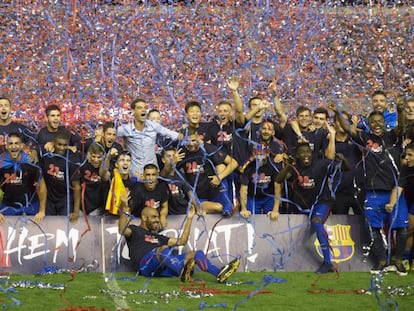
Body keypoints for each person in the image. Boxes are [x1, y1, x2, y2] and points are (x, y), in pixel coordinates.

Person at [333, 102, 408, 276]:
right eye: (372, 121)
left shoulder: (392, 137)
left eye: (379, 121)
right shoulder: (364, 137)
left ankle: (398, 261)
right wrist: (337, 111)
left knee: (401, 229)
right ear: (368, 123)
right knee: (373, 228)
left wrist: (400, 110)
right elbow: (348, 129)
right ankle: (382, 261)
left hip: (394, 191)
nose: (376, 124)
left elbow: (402, 126)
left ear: (384, 123)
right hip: (373, 192)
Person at [118, 200, 240, 283]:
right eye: (154, 217)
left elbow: (182, 241)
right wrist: (124, 206)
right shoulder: (135, 230)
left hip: (160, 269)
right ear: (144, 218)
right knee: (163, 250)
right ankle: (181, 270)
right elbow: (122, 230)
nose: (157, 220)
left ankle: (218, 274)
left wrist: (189, 218)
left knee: (195, 254)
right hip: (144, 266)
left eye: (157, 217)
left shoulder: (160, 237)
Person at [275, 138, 349, 274]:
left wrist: (342, 159)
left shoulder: (321, 164)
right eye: (302, 153)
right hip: (303, 207)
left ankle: (327, 262)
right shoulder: (295, 167)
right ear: (297, 155)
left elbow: (346, 168)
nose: (305, 155)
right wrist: (288, 166)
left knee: (316, 221)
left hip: (322, 202)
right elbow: (279, 179)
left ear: (312, 153)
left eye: (308, 152)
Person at [177, 128, 238, 216]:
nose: (191, 144)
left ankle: (226, 204)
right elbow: (169, 174)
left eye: (194, 140)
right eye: (187, 141)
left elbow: (234, 163)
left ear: (198, 137)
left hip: (213, 190)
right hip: (198, 197)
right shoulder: (181, 153)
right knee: (219, 207)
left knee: (221, 166)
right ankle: (220, 207)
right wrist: (172, 162)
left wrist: (219, 177)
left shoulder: (208, 148)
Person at [117, 98, 182, 178]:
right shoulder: (126, 129)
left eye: (145, 108)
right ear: (133, 111)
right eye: (139, 108)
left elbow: (172, 134)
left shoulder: (154, 126)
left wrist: (187, 135)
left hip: (153, 173)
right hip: (135, 174)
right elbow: (110, 134)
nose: (143, 110)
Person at [0, 133, 47, 224]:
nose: (14, 146)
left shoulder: (31, 162)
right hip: (8, 207)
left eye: (17, 143)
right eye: (10, 143)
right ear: (6, 146)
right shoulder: (1, 163)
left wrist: (41, 211)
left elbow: (42, 186)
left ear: (22, 146)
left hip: (30, 206)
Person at [39, 131, 81, 222]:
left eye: (65, 145)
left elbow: (77, 187)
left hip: (65, 199)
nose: (62, 148)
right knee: (47, 225)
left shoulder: (72, 159)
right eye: (59, 144)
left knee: (64, 225)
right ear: (53, 142)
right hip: (49, 198)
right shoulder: (46, 156)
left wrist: (76, 211)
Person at [239, 144, 282, 220]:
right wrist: (244, 209)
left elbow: (277, 188)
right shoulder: (248, 167)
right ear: (253, 154)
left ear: (267, 154)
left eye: (262, 153)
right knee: (249, 217)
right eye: (257, 153)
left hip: (269, 197)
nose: (259, 156)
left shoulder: (273, 166)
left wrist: (275, 210)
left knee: (273, 217)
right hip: (253, 198)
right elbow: (243, 189)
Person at [133, 164, 169, 229]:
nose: (151, 178)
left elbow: (165, 206)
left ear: (157, 175)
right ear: (143, 176)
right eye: (148, 175)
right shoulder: (137, 190)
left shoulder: (162, 187)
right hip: (141, 224)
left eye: (153, 175)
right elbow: (130, 210)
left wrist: (162, 216)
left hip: (156, 223)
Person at [79, 143, 108, 216]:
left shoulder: (106, 168)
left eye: (99, 157)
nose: (96, 160)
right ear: (89, 155)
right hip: (82, 206)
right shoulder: (82, 165)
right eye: (93, 156)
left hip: (97, 207)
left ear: (103, 156)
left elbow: (106, 176)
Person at [401, 142, 414, 271]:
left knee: (411, 227)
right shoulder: (405, 169)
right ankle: (405, 258)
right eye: (406, 155)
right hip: (407, 200)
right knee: (410, 229)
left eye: (410, 155)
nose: (407, 158)